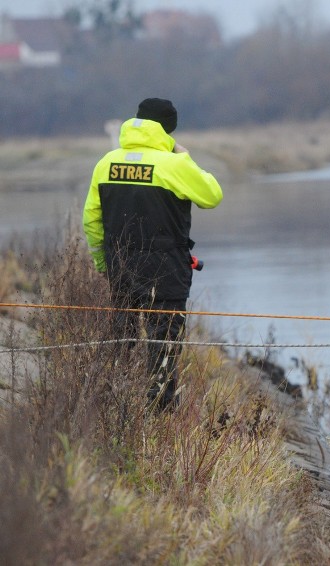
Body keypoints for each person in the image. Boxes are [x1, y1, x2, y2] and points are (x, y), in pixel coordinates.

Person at [82, 98, 223, 410]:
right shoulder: (174, 164)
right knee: (163, 346)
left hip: (121, 268)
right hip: (166, 268)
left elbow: (91, 220)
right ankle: (159, 413)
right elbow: (212, 196)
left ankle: (113, 405)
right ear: (168, 130)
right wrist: (187, 159)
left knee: (122, 342)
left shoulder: (107, 163)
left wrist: (104, 263)